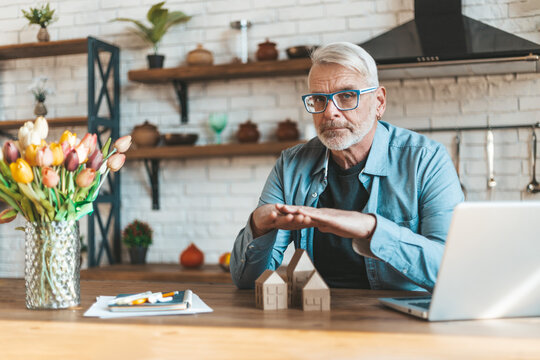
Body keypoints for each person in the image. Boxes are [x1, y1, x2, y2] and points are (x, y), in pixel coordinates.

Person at [230, 42, 463, 292]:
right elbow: (246, 281)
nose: (330, 112)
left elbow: (451, 270)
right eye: (319, 99)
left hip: (400, 320)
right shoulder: (291, 165)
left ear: (379, 102)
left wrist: (370, 228)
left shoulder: (426, 160)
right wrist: (258, 226)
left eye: (347, 96)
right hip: (316, 316)